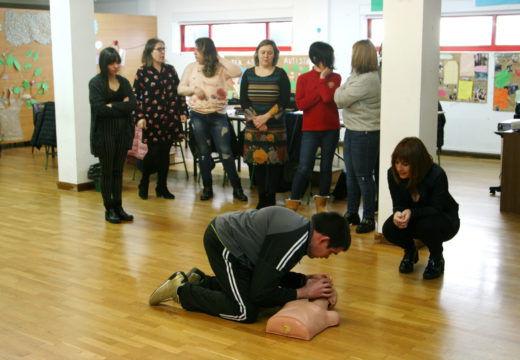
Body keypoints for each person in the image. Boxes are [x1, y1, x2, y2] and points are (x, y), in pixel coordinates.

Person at [148, 207, 350, 323]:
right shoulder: (294, 238)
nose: (327, 258)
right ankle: (182, 290)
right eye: (331, 252)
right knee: (244, 311)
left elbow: (272, 271)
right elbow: (260, 292)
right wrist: (304, 292)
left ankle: (202, 282)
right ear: (323, 240)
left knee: (255, 299)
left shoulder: (300, 232)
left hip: (240, 251)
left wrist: (304, 280)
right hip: (223, 242)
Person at [178, 37, 247, 202]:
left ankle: (237, 189)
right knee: (203, 153)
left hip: (218, 116)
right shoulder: (191, 68)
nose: (194, 53)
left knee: (226, 153)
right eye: (194, 50)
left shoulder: (220, 67)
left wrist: (218, 57)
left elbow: (238, 71)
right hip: (197, 115)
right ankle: (207, 188)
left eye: (198, 50)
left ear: (207, 52)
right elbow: (180, 89)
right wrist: (193, 90)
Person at [382, 137, 460, 280]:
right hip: (415, 218)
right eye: (397, 162)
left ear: (417, 164)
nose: (399, 168)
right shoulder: (393, 174)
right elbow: (398, 203)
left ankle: (437, 258)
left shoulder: (437, 175)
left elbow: (437, 208)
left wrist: (411, 212)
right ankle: (410, 251)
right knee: (388, 228)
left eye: (405, 164)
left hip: (444, 219)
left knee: (426, 226)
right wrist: (398, 213)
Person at [285, 42, 342, 214]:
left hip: (331, 129)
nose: (330, 60)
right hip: (310, 129)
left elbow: (327, 99)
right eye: (327, 56)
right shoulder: (303, 79)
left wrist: (323, 80)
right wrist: (321, 83)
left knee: (326, 167)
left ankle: (321, 206)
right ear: (316, 58)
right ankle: (293, 202)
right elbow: (302, 104)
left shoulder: (336, 78)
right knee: (304, 167)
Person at [334, 39, 381, 233]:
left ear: (359, 56)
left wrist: (342, 91)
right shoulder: (356, 75)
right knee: (351, 175)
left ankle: (368, 217)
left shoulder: (368, 79)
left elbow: (340, 98)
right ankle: (352, 212)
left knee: (363, 176)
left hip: (366, 133)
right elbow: (343, 95)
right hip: (353, 130)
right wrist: (344, 91)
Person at [133, 38, 188, 200]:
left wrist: (183, 110)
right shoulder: (142, 71)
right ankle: (144, 182)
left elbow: (179, 92)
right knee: (154, 152)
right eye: (159, 49)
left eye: (164, 49)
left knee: (165, 152)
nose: (163, 52)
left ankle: (162, 187)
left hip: (171, 117)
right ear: (150, 52)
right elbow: (135, 97)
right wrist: (139, 117)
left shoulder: (170, 70)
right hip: (152, 119)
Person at [240, 39, 291, 209]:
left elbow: (284, 101)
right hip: (254, 127)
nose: (266, 55)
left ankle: (272, 198)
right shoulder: (248, 74)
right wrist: (256, 120)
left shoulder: (281, 74)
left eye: (270, 52)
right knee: (258, 163)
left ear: (275, 55)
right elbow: (244, 101)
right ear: (257, 54)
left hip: (274, 127)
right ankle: (262, 198)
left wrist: (266, 117)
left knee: (275, 164)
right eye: (263, 52)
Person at [89, 47, 137, 224]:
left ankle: (119, 206)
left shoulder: (123, 82)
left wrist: (112, 106)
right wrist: (120, 105)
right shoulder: (95, 83)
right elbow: (99, 109)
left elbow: (133, 104)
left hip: (122, 133)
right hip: (104, 134)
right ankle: (109, 208)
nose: (116, 66)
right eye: (111, 63)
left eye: (117, 62)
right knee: (107, 172)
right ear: (104, 64)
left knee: (118, 171)